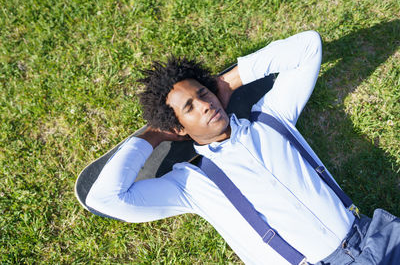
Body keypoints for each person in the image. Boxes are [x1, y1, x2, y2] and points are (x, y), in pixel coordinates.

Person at [86, 31, 400, 264]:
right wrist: (154, 135)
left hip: (375, 236)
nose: (206, 105)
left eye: (204, 93)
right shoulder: (191, 184)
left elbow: (308, 47)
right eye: (190, 107)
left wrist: (228, 82)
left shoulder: (271, 117)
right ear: (178, 127)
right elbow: (106, 199)